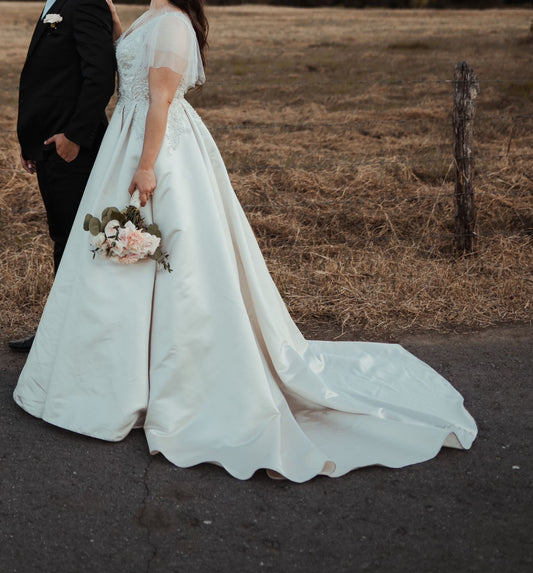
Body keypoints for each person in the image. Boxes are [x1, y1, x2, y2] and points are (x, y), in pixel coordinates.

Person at [13, 0, 477, 482]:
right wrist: (114, 28)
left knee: (165, 257)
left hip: (155, 147)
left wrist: (147, 165)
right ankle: (114, 374)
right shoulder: (149, 17)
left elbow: (161, 101)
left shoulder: (172, 23)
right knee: (118, 259)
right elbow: (127, 62)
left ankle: (169, 379)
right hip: (124, 139)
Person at [9, 0, 116, 352]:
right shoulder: (54, 1)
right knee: (63, 237)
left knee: (76, 242)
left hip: (73, 149)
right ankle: (60, 331)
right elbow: (46, 75)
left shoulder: (86, 2)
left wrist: (74, 136)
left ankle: (74, 340)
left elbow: (100, 74)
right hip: (48, 145)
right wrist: (29, 142)